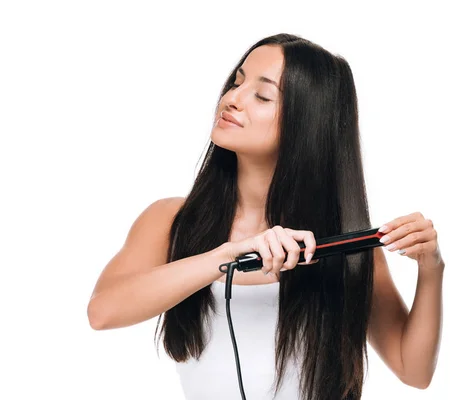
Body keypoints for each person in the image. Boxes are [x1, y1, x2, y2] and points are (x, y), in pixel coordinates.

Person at [87, 33, 445, 400]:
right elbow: (103, 311)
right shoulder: (171, 219)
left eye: (261, 95)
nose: (231, 99)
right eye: (237, 81)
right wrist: (226, 256)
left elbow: (413, 370)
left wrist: (431, 269)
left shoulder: (344, 244)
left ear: (305, 124)